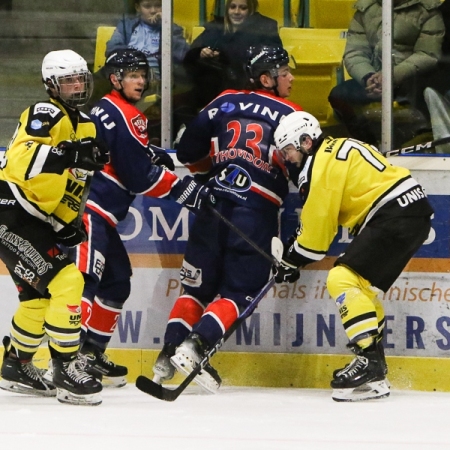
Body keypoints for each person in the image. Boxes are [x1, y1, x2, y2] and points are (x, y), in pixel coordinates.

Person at [152, 45, 302, 393]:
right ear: (266, 78)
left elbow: (188, 150)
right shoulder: (291, 112)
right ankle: (195, 347)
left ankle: (168, 353)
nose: (291, 77)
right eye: (284, 72)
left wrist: (212, 178)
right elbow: (301, 166)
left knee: (197, 288)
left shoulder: (223, 100)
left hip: (212, 207)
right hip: (255, 212)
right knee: (241, 291)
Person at [70, 48, 215, 389]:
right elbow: (138, 176)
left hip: (97, 213)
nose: (141, 81)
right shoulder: (127, 115)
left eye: (142, 75)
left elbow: (125, 152)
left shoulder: (104, 109)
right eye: (132, 75)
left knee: (117, 280)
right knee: (86, 282)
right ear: (115, 79)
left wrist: (153, 156)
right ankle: (69, 358)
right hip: (90, 212)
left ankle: (91, 352)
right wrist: (183, 190)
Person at [272, 110, 434, 401]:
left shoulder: (320, 165)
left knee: (341, 278)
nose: (288, 158)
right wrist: (294, 256)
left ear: (306, 141)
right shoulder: (339, 146)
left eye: (289, 150)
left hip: (393, 213)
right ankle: (376, 373)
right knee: (362, 289)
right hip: (413, 210)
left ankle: (369, 363)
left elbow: (315, 239)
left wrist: (290, 260)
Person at [0, 50, 110, 406]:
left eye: (80, 79)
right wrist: (67, 154)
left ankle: (16, 365)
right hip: (10, 208)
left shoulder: (88, 125)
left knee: (38, 298)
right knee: (67, 280)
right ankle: (65, 367)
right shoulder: (44, 112)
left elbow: (76, 184)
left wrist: (66, 222)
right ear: (51, 85)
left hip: (33, 215)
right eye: (68, 80)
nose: (77, 86)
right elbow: (19, 160)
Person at [328, 0, 444, 148]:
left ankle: (420, 141)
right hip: (374, 81)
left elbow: (427, 54)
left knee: (426, 95)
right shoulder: (366, 9)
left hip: (411, 80)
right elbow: (355, 53)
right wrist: (368, 77)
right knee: (339, 95)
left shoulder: (428, 10)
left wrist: (392, 76)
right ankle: (368, 146)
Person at [105, 0, 193, 139]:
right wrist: (134, 59)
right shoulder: (126, 26)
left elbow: (183, 56)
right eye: (147, 6)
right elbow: (112, 49)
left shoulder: (172, 29)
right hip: (127, 71)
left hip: (154, 77)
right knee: (99, 79)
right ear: (138, 7)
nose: (153, 11)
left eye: (158, 6)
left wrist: (165, 28)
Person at [183, 0, 282, 110]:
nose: (236, 12)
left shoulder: (265, 28)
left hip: (247, 91)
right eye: (232, 7)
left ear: (251, 9)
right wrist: (201, 52)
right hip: (213, 90)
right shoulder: (216, 27)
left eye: (243, 8)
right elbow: (191, 54)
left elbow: (272, 58)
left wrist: (224, 55)